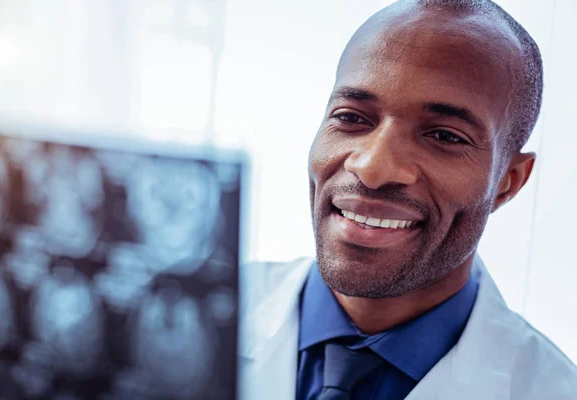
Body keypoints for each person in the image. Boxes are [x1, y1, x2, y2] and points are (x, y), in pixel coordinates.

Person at [238, 0, 577, 399]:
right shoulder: (161, 326)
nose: (373, 168)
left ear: (508, 181)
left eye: (445, 136)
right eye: (351, 117)